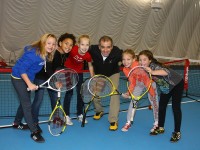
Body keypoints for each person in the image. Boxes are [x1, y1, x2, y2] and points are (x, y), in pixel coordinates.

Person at [11, 33, 57, 143]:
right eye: (48, 43)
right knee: (27, 104)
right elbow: (22, 70)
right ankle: (34, 132)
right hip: (18, 78)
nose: (51, 46)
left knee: (24, 101)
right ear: (43, 43)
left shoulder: (46, 54)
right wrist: (30, 84)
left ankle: (16, 123)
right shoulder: (34, 54)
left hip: (28, 77)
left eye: (53, 44)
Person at [32, 33, 76, 128]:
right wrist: (56, 80)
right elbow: (48, 68)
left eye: (71, 45)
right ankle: (34, 121)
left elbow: (57, 68)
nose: (68, 46)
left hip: (52, 78)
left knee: (55, 99)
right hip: (41, 77)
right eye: (66, 43)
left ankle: (56, 118)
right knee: (38, 100)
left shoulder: (65, 55)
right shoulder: (54, 52)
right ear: (60, 43)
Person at [138, 50, 184, 143]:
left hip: (176, 84)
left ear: (150, 60)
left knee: (176, 108)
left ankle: (177, 132)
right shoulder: (144, 69)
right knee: (162, 107)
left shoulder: (154, 66)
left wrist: (153, 71)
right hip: (166, 88)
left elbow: (166, 72)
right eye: (140, 60)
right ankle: (161, 127)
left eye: (144, 60)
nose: (142, 62)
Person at [88, 35, 123, 131]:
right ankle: (99, 111)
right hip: (100, 75)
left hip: (113, 74)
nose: (105, 50)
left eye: (108, 47)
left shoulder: (118, 52)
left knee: (114, 94)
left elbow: (130, 58)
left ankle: (113, 120)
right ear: (99, 46)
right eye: (102, 47)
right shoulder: (93, 50)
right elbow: (79, 49)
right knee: (94, 94)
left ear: (112, 47)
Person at [120, 49, 159, 133]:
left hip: (150, 83)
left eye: (128, 59)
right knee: (133, 102)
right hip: (139, 83)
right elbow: (132, 81)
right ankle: (128, 122)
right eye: (123, 59)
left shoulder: (138, 65)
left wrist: (152, 92)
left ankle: (157, 123)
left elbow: (146, 79)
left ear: (134, 59)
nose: (125, 62)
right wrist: (129, 92)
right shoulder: (125, 69)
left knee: (154, 102)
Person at [64, 34, 94, 125]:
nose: (84, 47)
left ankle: (80, 114)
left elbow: (90, 66)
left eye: (87, 45)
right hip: (68, 70)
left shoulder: (88, 55)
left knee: (80, 93)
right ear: (78, 44)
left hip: (79, 72)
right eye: (82, 44)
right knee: (69, 93)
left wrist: (93, 77)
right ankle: (66, 116)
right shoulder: (73, 49)